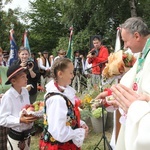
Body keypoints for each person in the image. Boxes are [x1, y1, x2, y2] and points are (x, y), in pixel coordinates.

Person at [96, 17, 150, 150]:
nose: (125, 46)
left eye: (125, 41)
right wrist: (112, 94)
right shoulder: (143, 53)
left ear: (137, 36)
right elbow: (133, 82)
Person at [39, 58, 88, 149]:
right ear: (60, 74)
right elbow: (59, 132)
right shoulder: (57, 99)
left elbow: (65, 117)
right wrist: (79, 132)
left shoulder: (62, 92)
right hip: (59, 146)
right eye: (70, 73)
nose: (73, 75)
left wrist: (79, 123)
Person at [0, 64, 38, 150]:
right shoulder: (8, 96)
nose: (26, 79)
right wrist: (19, 120)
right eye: (22, 77)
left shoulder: (25, 91)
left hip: (26, 134)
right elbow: (2, 119)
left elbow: (26, 109)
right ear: (13, 81)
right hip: (15, 136)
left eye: (26, 76)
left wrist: (32, 115)